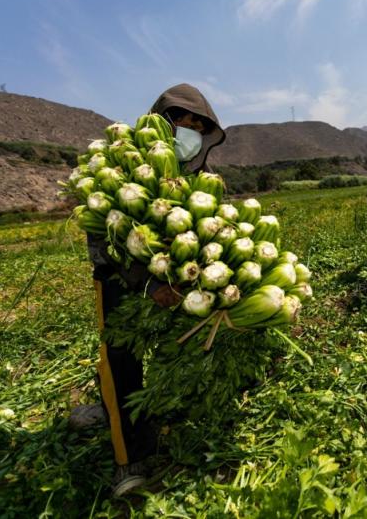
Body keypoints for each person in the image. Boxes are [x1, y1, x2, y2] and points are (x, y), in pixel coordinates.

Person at [68, 83, 226, 496]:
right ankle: (129, 458)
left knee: (177, 351)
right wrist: (149, 281)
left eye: (199, 125)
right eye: (182, 121)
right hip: (121, 284)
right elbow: (102, 241)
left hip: (175, 287)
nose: (190, 131)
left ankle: (125, 412)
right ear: (160, 120)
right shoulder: (122, 168)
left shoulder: (199, 180)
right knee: (121, 362)